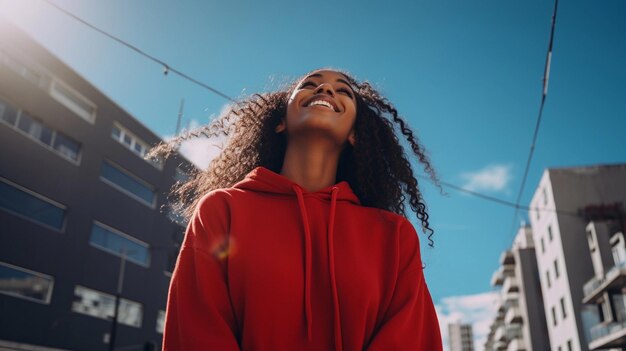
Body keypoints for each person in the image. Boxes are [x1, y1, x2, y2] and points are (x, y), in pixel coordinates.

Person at [150, 68, 443, 350]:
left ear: (355, 133)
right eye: (310, 84)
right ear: (281, 122)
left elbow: (411, 340)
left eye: (343, 91)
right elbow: (197, 332)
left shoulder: (393, 235)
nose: (326, 88)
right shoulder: (222, 210)